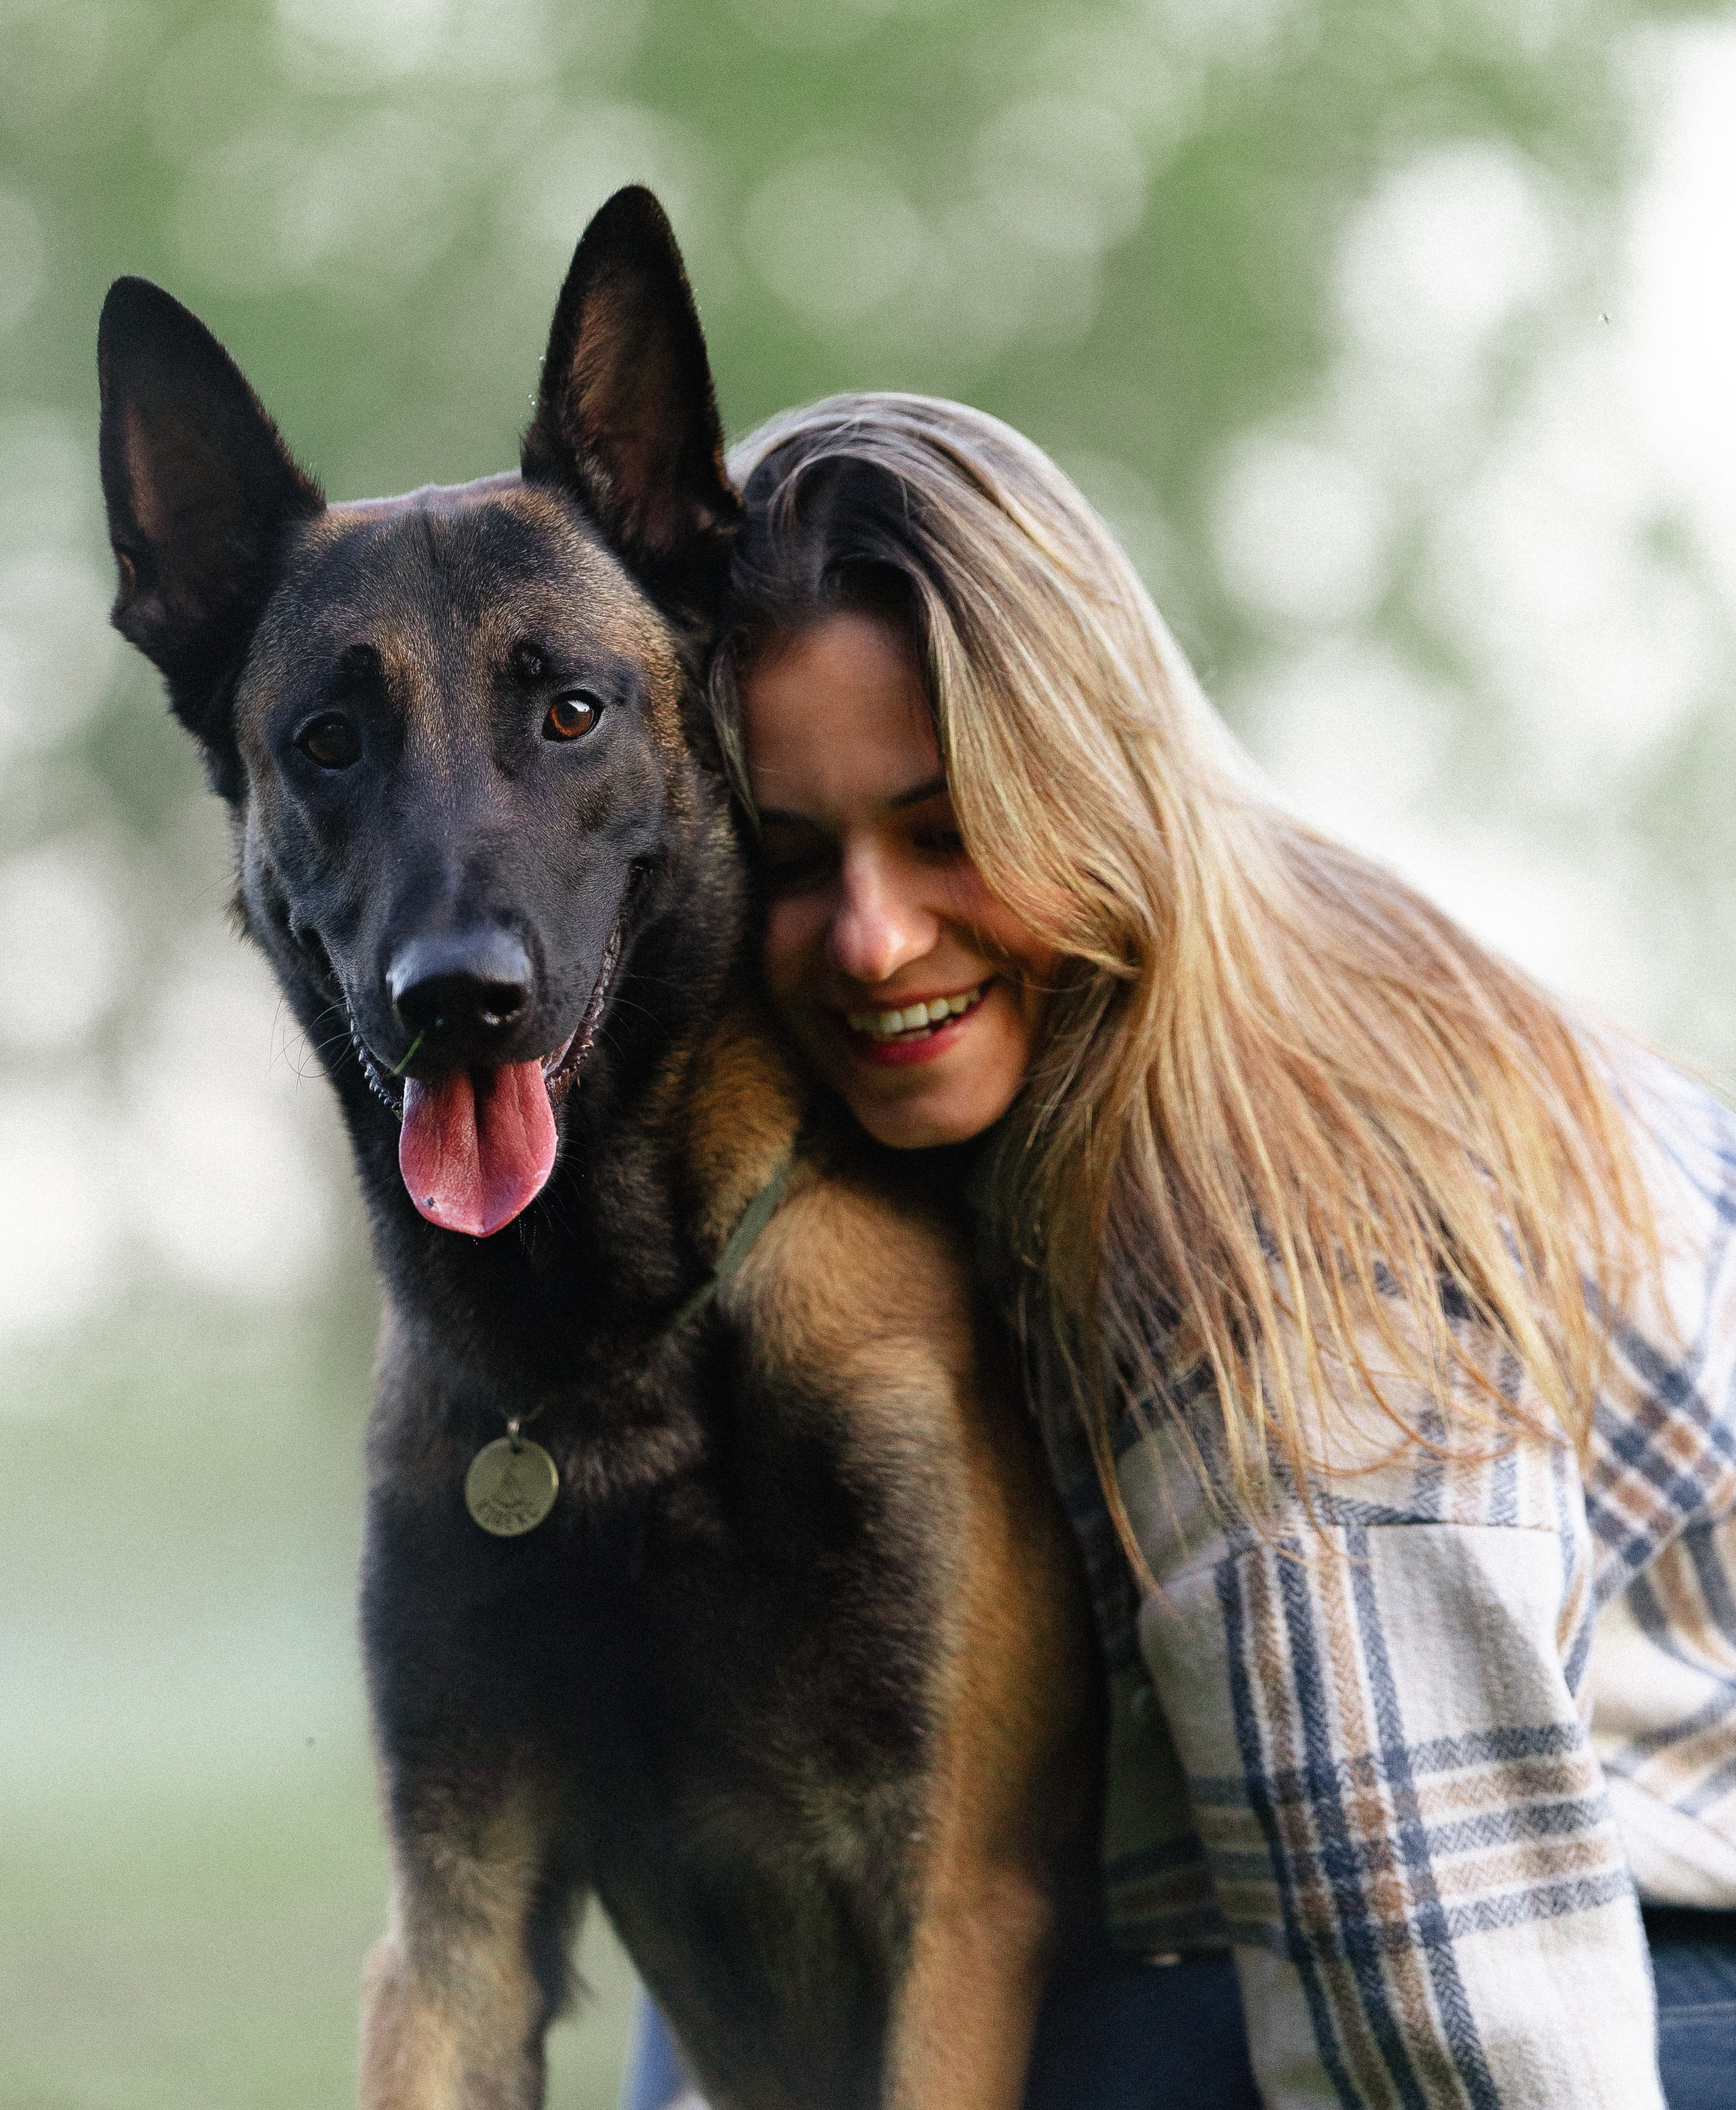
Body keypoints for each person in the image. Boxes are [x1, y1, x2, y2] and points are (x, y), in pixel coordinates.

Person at [622, 393, 1736, 2110]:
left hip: (1639, 1962)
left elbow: (1457, 2028)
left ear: (1091, 784)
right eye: (785, 854)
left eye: (945, 827)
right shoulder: (936, 1121)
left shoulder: (1277, 1238)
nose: (868, 935)